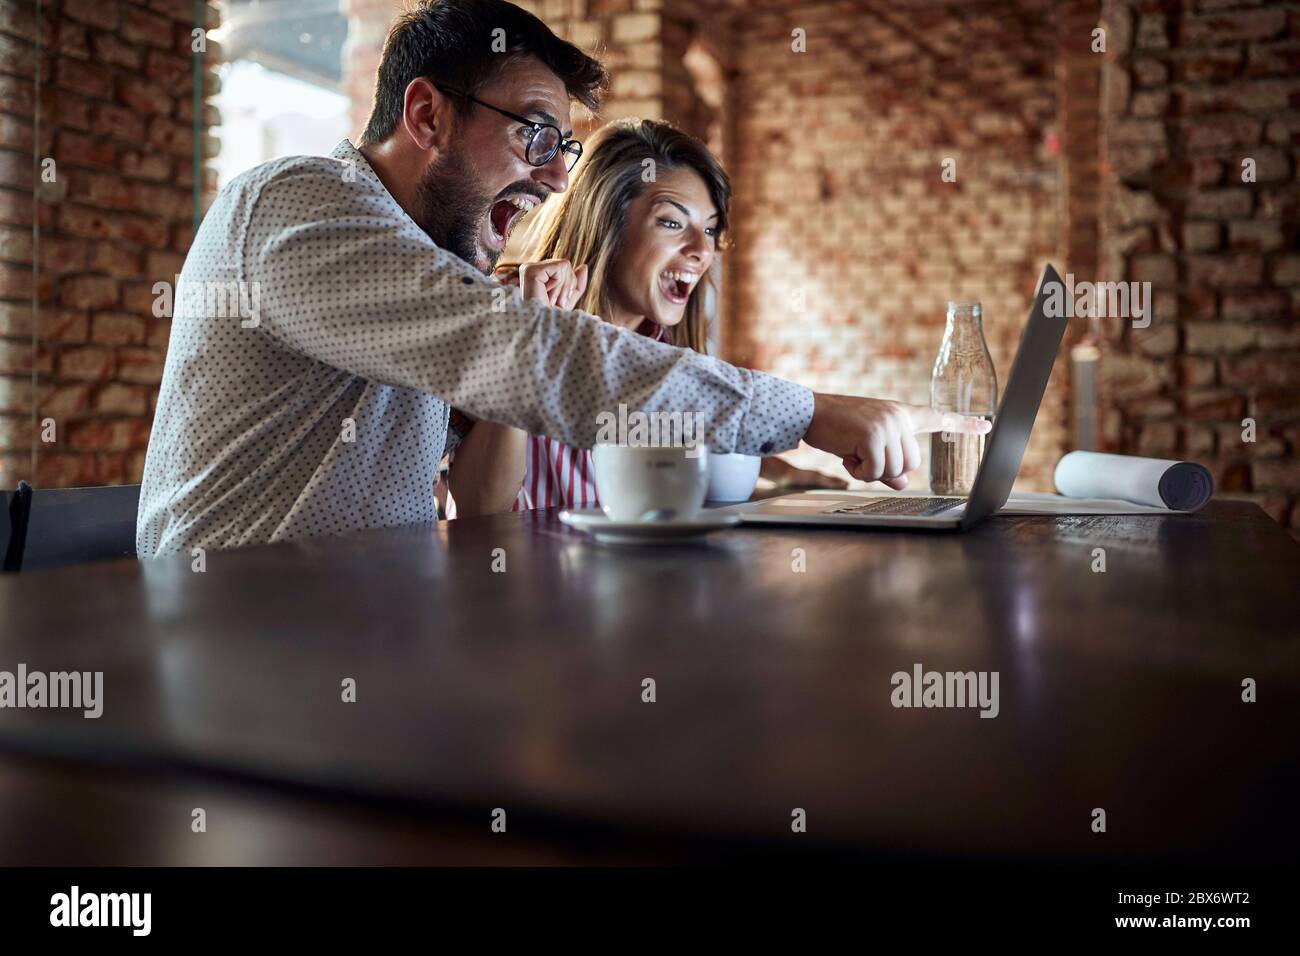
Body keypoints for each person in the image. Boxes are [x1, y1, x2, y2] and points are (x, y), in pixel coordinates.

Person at [136, 0, 988, 558]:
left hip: (360, 653)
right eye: (536, 136)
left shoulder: (427, 267)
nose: (552, 179)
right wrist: (812, 414)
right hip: (239, 656)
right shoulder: (298, 201)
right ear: (427, 115)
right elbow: (526, 360)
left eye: (564, 151)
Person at [446, 119, 845, 516]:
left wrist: (778, 472)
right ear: (607, 224)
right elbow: (477, 507)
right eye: (671, 222)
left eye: (709, 230)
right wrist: (534, 337)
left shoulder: (666, 350)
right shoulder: (509, 309)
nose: (701, 251)